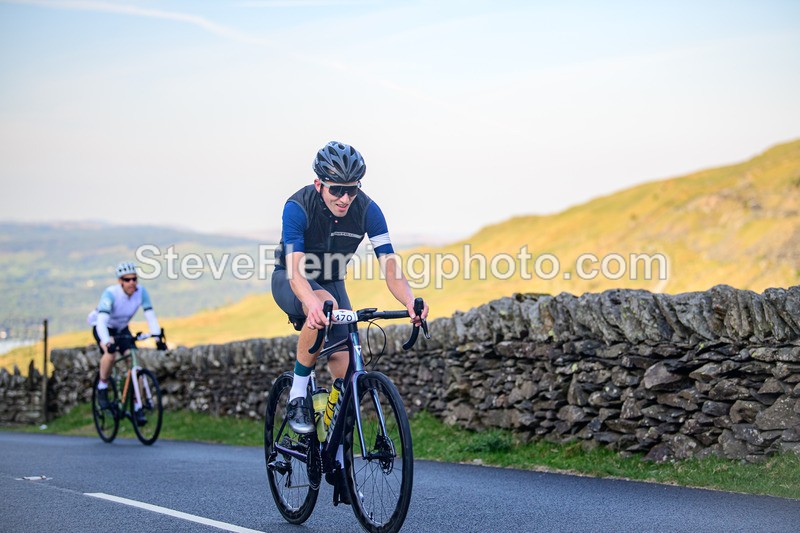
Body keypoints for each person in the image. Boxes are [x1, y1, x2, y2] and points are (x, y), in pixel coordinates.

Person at [271, 141, 429, 502]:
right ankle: (297, 393)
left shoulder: (369, 210)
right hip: (290, 279)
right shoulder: (297, 206)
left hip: (332, 282)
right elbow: (295, 273)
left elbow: (390, 266)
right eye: (336, 189)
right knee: (323, 304)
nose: (344, 197)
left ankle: (337, 457)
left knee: (345, 372)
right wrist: (310, 300)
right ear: (319, 185)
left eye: (352, 189)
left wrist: (409, 301)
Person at [87, 261, 167, 424]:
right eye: (127, 279)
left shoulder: (141, 292)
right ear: (120, 281)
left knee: (134, 361)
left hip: (122, 328)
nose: (132, 283)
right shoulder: (110, 294)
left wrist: (158, 338)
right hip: (104, 326)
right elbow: (101, 321)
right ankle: (102, 388)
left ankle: (138, 407)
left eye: (134, 279)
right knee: (110, 354)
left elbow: (150, 316)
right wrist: (106, 342)